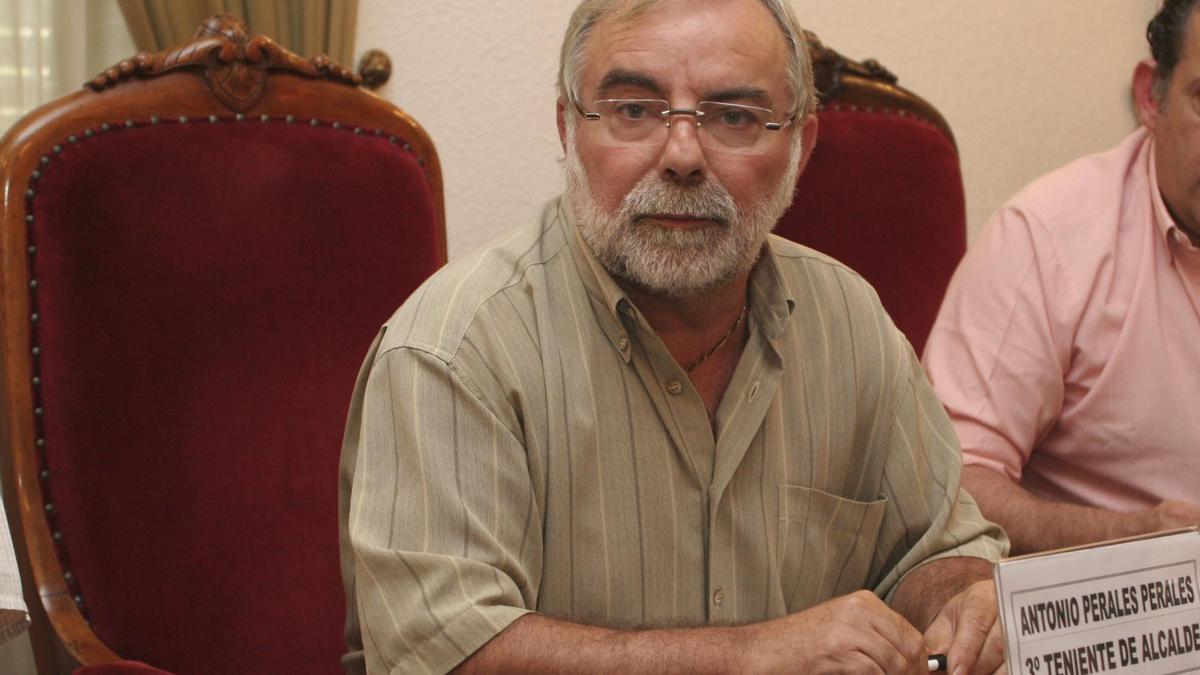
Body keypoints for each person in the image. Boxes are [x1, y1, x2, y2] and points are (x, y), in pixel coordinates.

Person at [339, 1, 1008, 672]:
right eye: (634, 110)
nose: (683, 155)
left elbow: (936, 548)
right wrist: (749, 656)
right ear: (569, 128)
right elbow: (449, 653)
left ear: (801, 148)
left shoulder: (850, 320)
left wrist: (965, 599)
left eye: (735, 117)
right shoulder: (454, 349)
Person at [923, 0, 1200, 556]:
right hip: (1126, 617)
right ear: (1153, 97)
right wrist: (1131, 539)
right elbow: (949, 484)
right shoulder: (1046, 242)